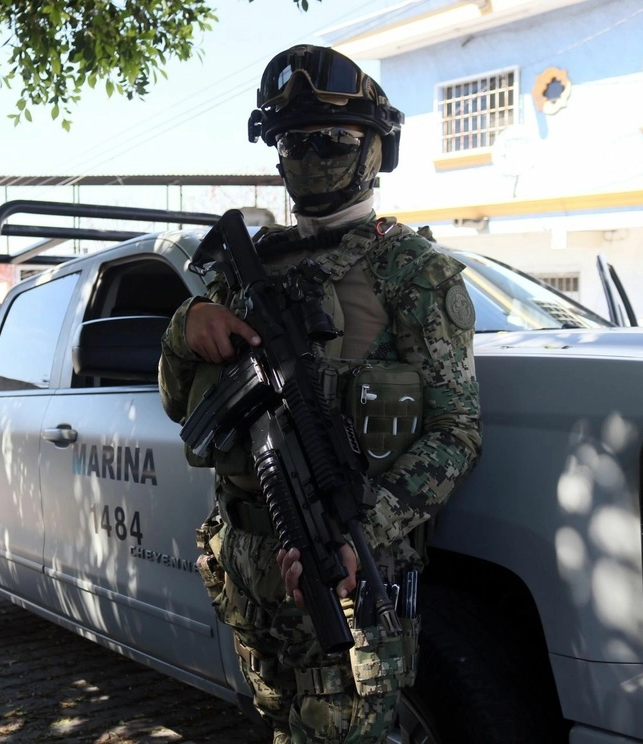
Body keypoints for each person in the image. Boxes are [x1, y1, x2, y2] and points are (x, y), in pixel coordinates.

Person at [158, 45, 482, 743]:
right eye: (292, 142)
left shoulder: (412, 272)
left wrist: (362, 532)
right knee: (276, 725)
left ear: (377, 148)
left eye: (332, 139)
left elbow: (455, 433)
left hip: (345, 565)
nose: (310, 156)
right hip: (248, 561)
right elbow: (179, 404)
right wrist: (187, 325)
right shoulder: (245, 268)